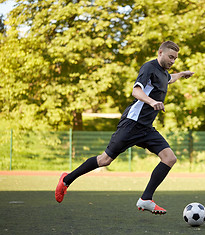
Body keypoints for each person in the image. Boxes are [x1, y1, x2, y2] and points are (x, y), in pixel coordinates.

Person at [55, 41, 194, 215]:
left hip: (146, 128)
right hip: (132, 124)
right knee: (105, 160)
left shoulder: (163, 73)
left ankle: (146, 199)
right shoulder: (148, 68)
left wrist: (181, 74)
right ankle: (66, 180)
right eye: (170, 57)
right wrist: (152, 102)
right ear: (160, 52)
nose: (173, 60)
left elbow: (169, 79)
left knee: (169, 158)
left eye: (175, 58)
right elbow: (136, 91)